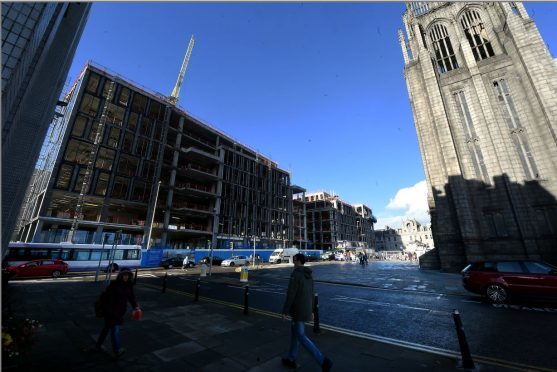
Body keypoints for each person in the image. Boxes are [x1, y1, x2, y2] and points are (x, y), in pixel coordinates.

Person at [281, 254, 332, 371]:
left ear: (299, 261)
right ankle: (291, 358)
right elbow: (312, 294)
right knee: (295, 335)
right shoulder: (309, 275)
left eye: (294, 260)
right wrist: (312, 310)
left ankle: (323, 361)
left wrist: (285, 311)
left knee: (301, 336)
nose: (293, 262)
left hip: (298, 310)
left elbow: (291, 294)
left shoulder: (296, 275)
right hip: (306, 309)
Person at [95, 268, 140, 358]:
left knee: (106, 329)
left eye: (128, 275)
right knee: (115, 330)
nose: (126, 277)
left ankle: (98, 346)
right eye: (124, 275)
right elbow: (106, 297)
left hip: (120, 311)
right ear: (120, 275)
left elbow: (131, 297)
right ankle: (117, 350)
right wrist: (106, 308)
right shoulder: (114, 284)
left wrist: (135, 306)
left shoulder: (129, 285)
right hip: (110, 311)